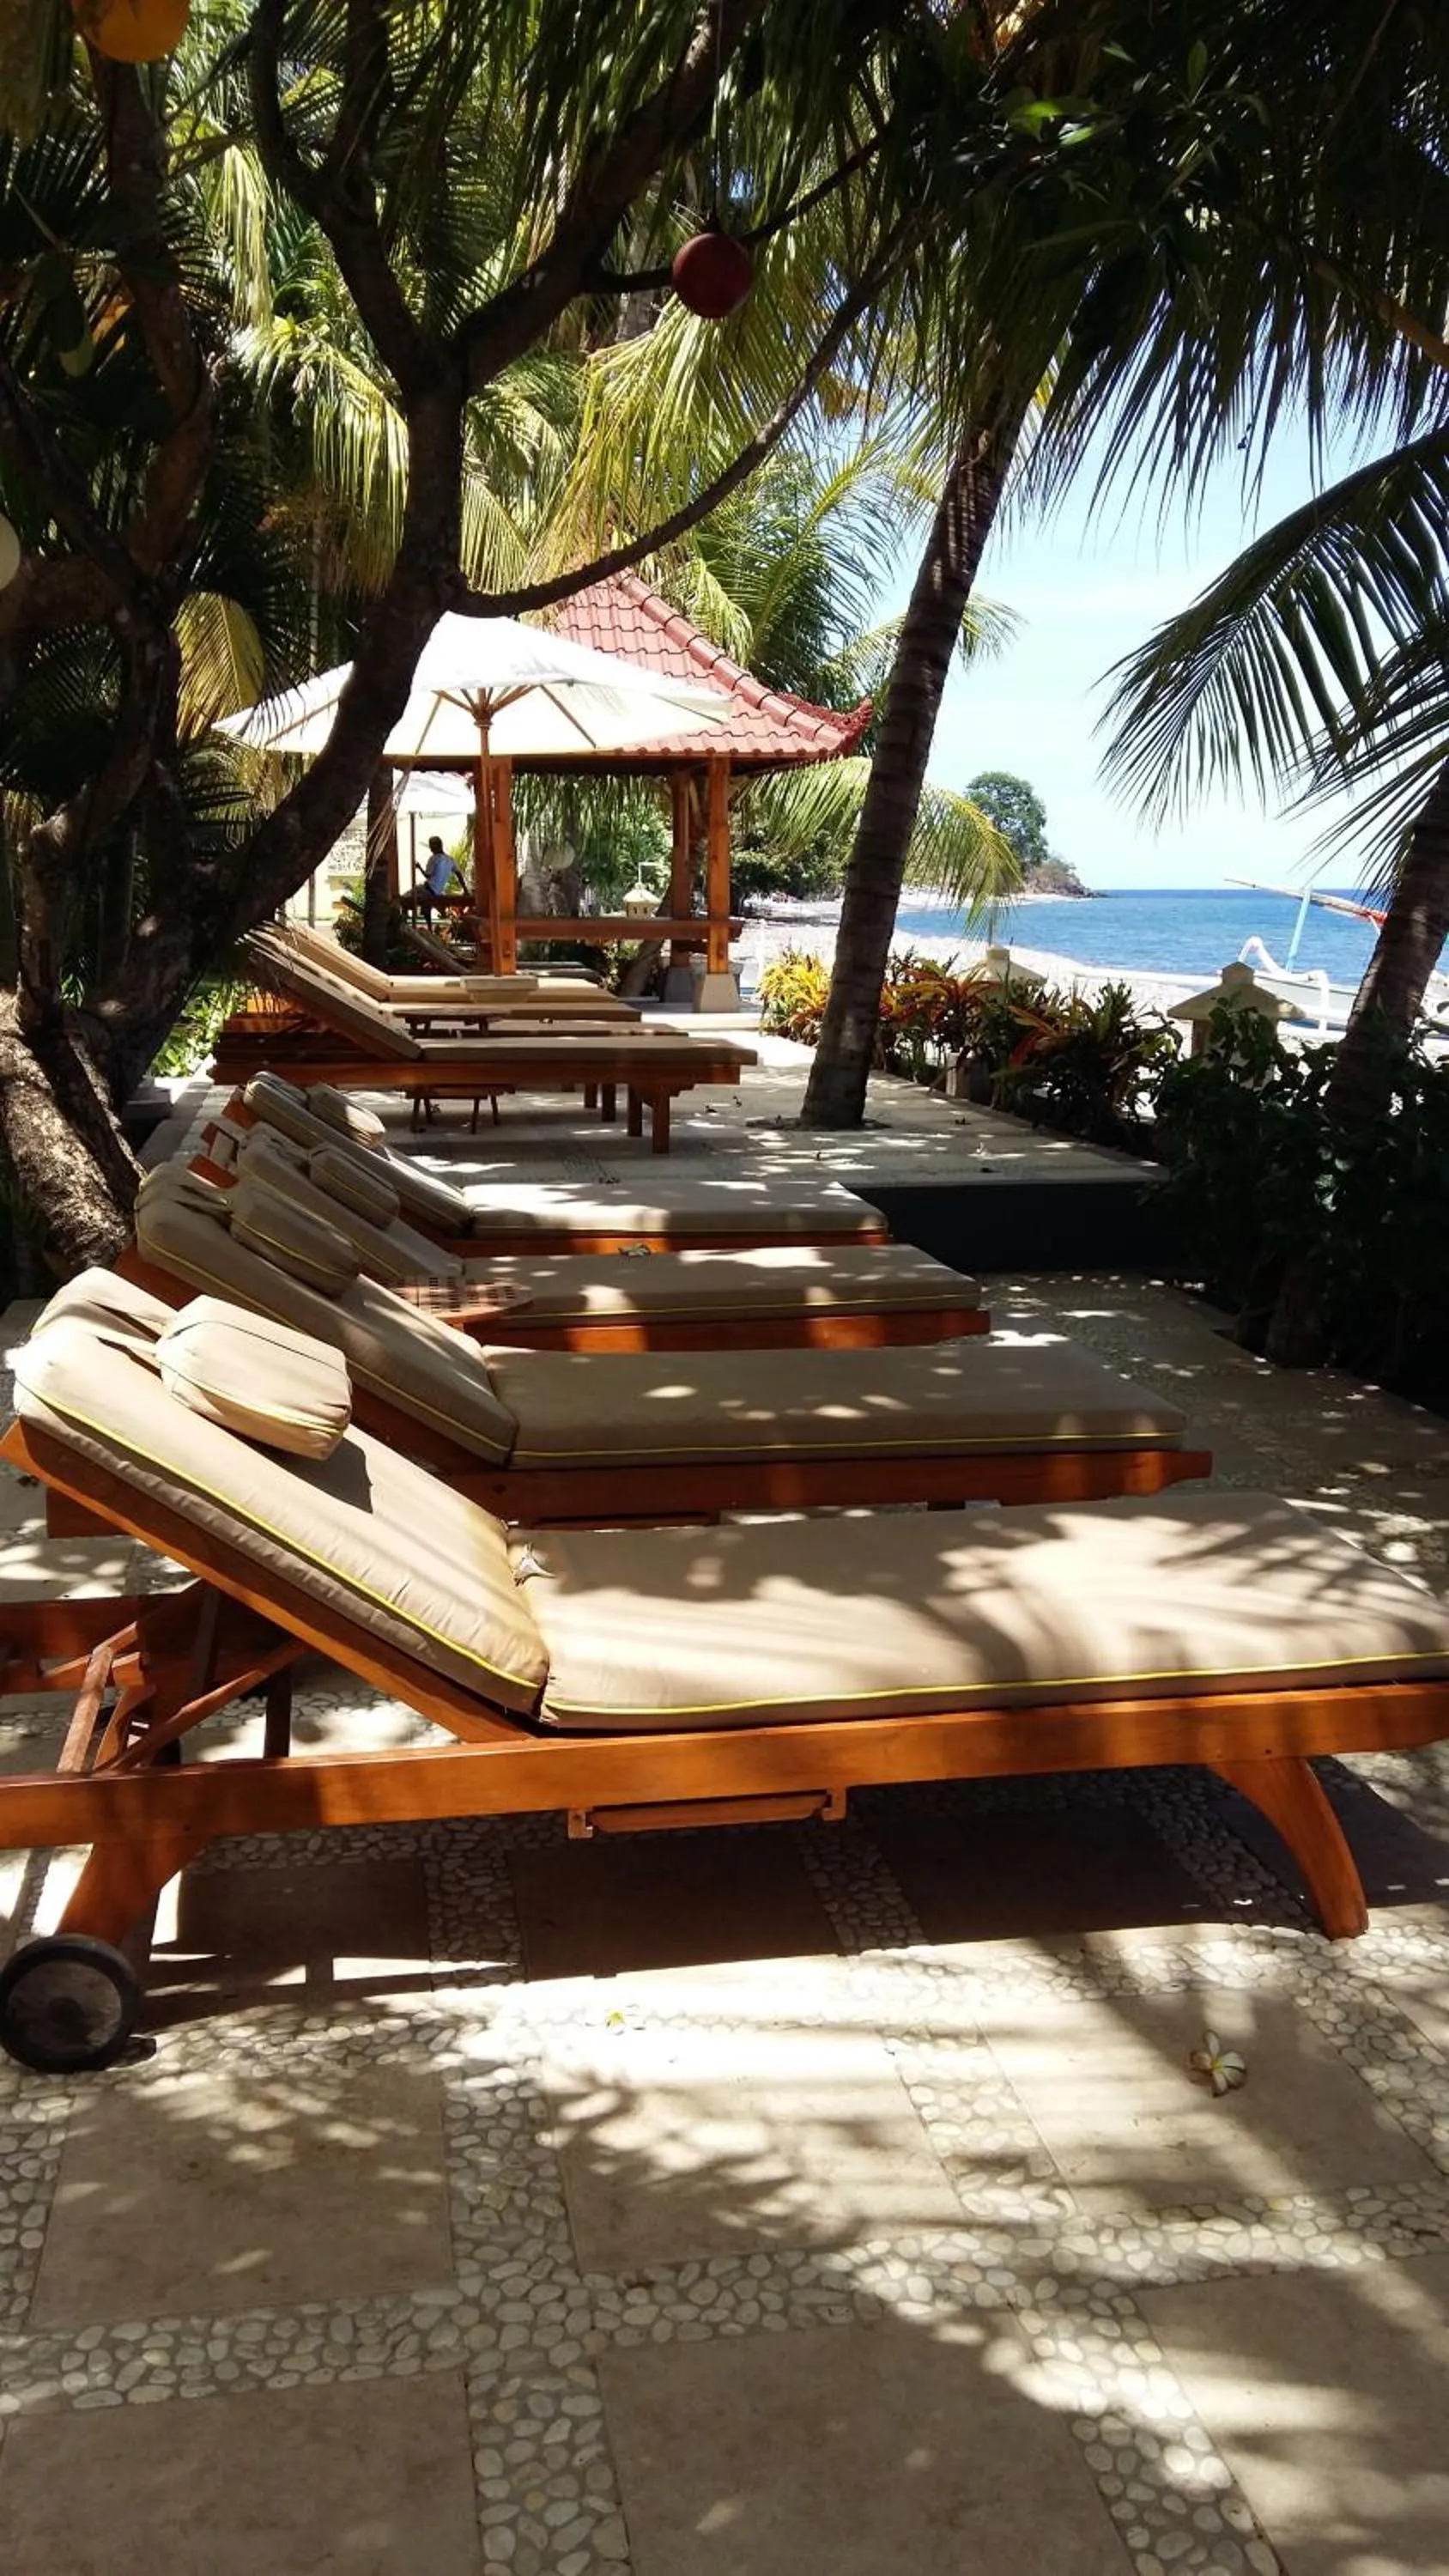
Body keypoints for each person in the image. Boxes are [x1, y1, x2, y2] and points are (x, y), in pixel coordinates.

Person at [418, 834, 464, 924]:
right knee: (427, 903)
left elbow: (428, 875)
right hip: (438, 891)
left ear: (435, 846)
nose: (430, 849)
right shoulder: (450, 860)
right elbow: (459, 874)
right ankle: (431, 924)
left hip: (429, 889)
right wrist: (465, 890)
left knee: (405, 900)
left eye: (431, 846)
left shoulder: (433, 859)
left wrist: (419, 867)